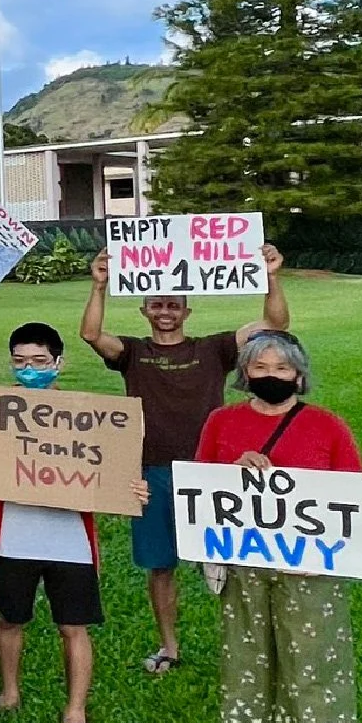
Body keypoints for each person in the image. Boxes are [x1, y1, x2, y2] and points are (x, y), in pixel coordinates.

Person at [80, 243, 288, 674]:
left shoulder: (213, 348)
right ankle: (168, 646)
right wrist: (99, 285)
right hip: (152, 471)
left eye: (174, 305)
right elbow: (91, 335)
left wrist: (272, 275)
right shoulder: (134, 353)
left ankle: (248, 646)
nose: (166, 312)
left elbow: (273, 325)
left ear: (187, 311)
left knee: (233, 562)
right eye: (157, 305)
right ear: (144, 310)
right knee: (160, 566)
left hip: (213, 472)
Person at [195, 330, 362, 723]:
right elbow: (201, 482)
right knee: (254, 654)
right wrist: (235, 470)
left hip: (310, 566)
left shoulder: (327, 426)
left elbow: (352, 494)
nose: (270, 377)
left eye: (281, 369)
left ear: (299, 374)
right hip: (245, 559)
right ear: (244, 372)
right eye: (260, 368)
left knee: (314, 663)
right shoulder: (221, 422)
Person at [0, 321, 146, 723]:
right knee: (10, 619)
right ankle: (9, 693)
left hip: (70, 540)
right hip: (12, 536)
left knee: (73, 626)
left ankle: (75, 711)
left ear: (58, 363)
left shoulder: (89, 417)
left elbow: (115, 470)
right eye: (21, 361)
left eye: (39, 361)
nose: (30, 368)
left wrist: (132, 488)